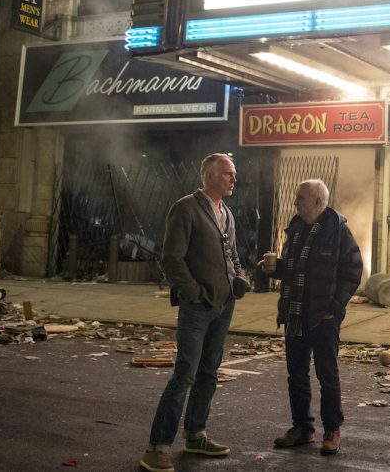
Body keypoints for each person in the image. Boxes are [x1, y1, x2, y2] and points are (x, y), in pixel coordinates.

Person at [140, 153, 250, 472]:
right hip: (198, 306)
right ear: (210, 176)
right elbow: (171, 259)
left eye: (234, 174)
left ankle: (195, 435)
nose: (233, 179)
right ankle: (157, 447)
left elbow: (232, 253)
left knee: (208, 373)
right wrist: (193, 293)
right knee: (185, 374)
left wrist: (237, 278)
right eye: (228, 174)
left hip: (223, 304)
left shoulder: (225, 212)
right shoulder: (186, 208)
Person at [258, 179, 362, 456]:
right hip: (295, 313)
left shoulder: (337, 231)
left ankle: (332, 429)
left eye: (301, 198)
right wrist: (274, 269)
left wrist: (335, 307)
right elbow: (295, 269)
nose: (296, 202)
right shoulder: (296, 228)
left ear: (318, 202)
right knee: (297, 375)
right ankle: (302, 428)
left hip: (323, 316)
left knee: (327, 375)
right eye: (296, 197)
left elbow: (353, 271)